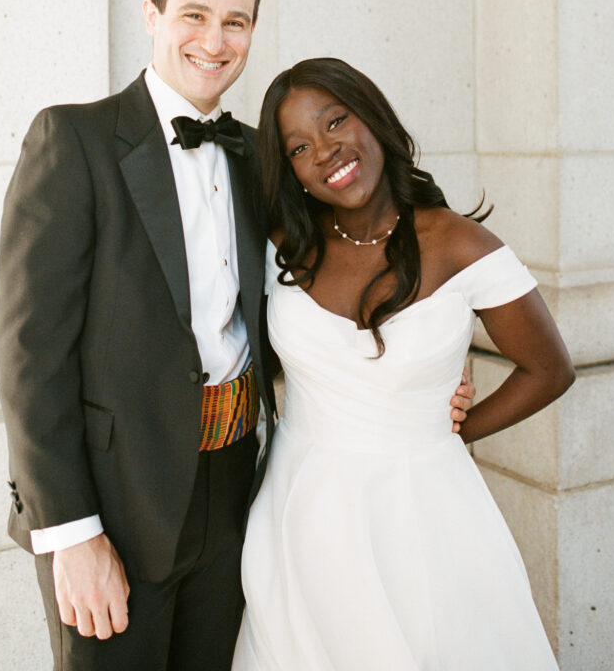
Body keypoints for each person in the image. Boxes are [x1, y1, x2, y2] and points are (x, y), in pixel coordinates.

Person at [0, 0, 476, 671]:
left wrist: (426, 366)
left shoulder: (263, 157)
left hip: (238, 490)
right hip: (116, 503)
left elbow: (336, 281)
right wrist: (70, 532)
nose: (213, 41)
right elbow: (29, 354)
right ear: (151, 16)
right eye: (193, 15)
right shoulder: (74, 139)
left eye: (236, 22)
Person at [232, 57, 575, 671]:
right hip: (299, 517)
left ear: (374, 117)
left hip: (425, 518)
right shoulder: (281, 244)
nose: (326, 150)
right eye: (299, 147)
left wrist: (456, 428)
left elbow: (549, 369)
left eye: (336, 120)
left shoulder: (460, 243)